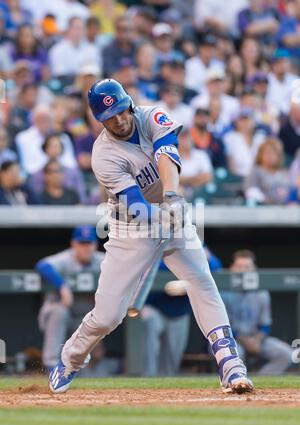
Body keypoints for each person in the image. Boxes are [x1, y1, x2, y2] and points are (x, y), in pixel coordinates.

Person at [49, 78, 253, 394]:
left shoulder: (152, 116)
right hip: (131, 228)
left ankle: (231, 365)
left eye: (120, 111)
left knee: (201, 280)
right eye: (108, 117)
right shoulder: (103, 155)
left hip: (172, 212)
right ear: (99, 120)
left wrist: (171, 197)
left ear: (128, 103)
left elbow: (167, 155)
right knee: (107, 317)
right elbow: (136, 206)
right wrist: (161, 214)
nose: (118, 120)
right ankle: (70, 358)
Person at [141, 247, 222, 376]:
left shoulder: (192, 242)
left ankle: (164, 386)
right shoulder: (159, 241)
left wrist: (189, 281)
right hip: (155, 305)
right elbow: (150, 266)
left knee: (173, 355)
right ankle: (147, 376)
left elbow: (216, 267)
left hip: (180, 312)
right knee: (150, 321)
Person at [36, 226, 105, 370]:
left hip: (82, 318)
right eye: (81, 243)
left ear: (95, 245)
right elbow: (42, 265)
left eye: (89, 243)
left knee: (101, 316)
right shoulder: (65, 258)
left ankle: (89, 370)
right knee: (59, 312)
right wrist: (62, 286)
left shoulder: (101, 260)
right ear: (73, 244)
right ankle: (51, 366)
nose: (85, 248)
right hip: (59, 314)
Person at [221, 250, 292, 375]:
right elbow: (223, 328)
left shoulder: (261, 293)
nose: (243, 271)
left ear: (254, 270)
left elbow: (265, 325)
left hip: (256, 339)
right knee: (237, 353)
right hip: (230, 339)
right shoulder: (223, 292)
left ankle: (260, 381)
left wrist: (257, 340)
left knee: (286, 354)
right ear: (231, 268)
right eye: (239, 267)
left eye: (247, 267)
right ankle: (239, 381)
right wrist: (245, 341)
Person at [30, 132, 86, 204]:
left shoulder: (73, 172)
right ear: (45, 149)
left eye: (57, 146)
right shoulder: (37, 175)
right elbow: (35, 197)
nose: (54, 150)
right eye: (51, 146)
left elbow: (81, 196)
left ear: (61, 149)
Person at [48, 16, 99, 81]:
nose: (79, 31)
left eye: (81, 28)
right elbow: (60, 75)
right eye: (76, 28)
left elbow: (96, 72)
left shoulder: (92, 49)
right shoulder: (58, 50)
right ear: (69, 29)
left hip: (88, 86)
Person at [244, 138, 290, 205]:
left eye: (274, 153)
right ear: (260, 155)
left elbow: (289, 190)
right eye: (268, 153)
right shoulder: (256, 171)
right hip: (262, 209)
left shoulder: (284, 172)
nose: (271, 156)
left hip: (284, 208)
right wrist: (265, 199)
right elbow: (250, 191)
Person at [224, 108, 267, 177]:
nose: (245, 123)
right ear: (236, 122)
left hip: (259, 176)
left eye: (247, 119)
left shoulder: (260, 137)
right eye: (241, 120)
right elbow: (230, 162)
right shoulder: (230, 138)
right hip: (239, 176)